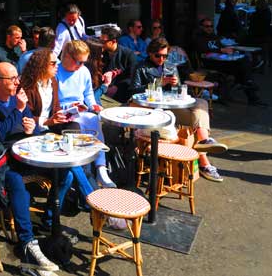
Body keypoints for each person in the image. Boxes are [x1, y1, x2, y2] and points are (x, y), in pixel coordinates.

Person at [0, 62, 58, 276]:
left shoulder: (16, 98)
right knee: (15, 182)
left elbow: (28, 123)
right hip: (5, 159)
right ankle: (28, 245)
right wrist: (19, 110)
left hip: (26, 153)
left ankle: (49, 222)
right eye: (11, 79)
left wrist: (32, 128)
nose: (17, 82)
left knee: (64, 170)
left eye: (17, 77)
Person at [131, 38, 228, 182]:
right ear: (150, 53)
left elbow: (178, 92)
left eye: (165, 56)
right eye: (158, 55)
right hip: (154, 109)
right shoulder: (141, 66)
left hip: (171, 105)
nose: (162, 59)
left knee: (201, 103)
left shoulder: (170, 66)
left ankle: (204, 140)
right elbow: (133, 90)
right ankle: (204, 163)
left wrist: (176, 84)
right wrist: (158, 83)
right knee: (195, 118)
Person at [20, 49, 96, 209]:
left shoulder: (52, 81)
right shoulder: (27, 86)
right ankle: (91, 200)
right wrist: (48, 121)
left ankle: (52, 218)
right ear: (41, 66)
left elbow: (55, 107)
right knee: (69, 170)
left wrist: (63, 114)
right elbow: (24, 117)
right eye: (53, 63)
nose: (57, 66)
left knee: (75, 132)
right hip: (34, 134)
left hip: (51, 130)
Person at [58, 41, 115, 188]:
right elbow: (51, 100)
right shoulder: (56, 71)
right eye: (79, 62)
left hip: (80, 111)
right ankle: (86, 172)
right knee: (83, 127)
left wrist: (92, 104)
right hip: (61, 114)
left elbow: (88, 93)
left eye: (84, 62)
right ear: (68, 57)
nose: (81, 65)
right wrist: (69, 106)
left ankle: (101, 168)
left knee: (94, 118)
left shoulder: (83, 71)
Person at [192, 18, 266, 106]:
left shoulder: (215, 37)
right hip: (210, 63)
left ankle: (250, 91)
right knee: (242, 70)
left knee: (243, 65)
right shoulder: (199, 38)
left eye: (211, 26)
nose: (210, 28)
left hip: (222, 62)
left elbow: (222, 47)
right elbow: (203, 49)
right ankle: (249, 89)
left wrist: (229, 50)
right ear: (201, 27)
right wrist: (221, 50)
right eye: (207, 26)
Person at [99, 26, 137, 103]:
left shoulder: (128, 54)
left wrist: (116, 87)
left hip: (122, 94)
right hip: (103, 90)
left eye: (103, 42)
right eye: (100, 40)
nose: (100, 44)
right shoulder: (101, 53)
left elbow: (133, 77)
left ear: (113, 41)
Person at [249, 0, 271, 68]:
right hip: (264, 35)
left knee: (255, 51)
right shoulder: (267, 13)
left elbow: (253, 25)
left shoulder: (255, 14)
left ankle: (256, 63)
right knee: (264, 51)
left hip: (257, 35)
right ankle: (263, 65)